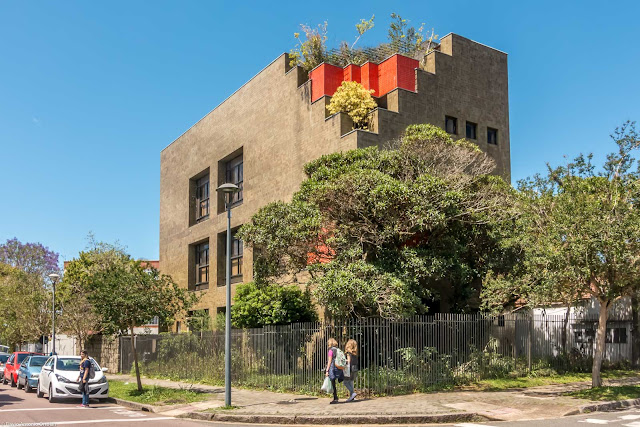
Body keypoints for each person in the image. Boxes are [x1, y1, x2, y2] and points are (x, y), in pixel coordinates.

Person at [324, 338, 344, 404]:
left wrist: (327, 370)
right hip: (338, 367)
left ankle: (335, 397)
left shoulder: (330, 350)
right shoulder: (338, 349)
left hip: (333, 367)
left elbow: (329, 361)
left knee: (333, 382)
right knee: (334, 382)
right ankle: (335, 397)